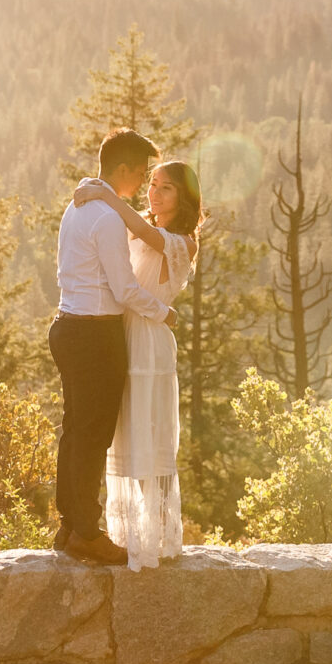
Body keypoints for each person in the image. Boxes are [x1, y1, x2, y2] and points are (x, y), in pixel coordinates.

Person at [49, 129, 168, 565]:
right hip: (95, 335)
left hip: (67, 327)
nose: (141, 181)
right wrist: (163, 312)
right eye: (139, 172)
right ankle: (86, 532)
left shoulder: (80, 205)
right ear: (121, 170)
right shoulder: (105, 217)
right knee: (93, 436)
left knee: (76, 431)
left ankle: (70, 525)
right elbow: (124, 289)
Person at [77, 158, 200, 569]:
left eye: (166, 188)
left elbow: (146, 233)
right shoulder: (135, 223)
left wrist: (104, 193)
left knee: (148, 436)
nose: (154, 192)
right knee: (124, 435)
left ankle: (158, 534)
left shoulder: (182, 240)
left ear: (184, 198)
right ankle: (129, 535)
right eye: (153, 184)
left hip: (148, 340)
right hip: (120, 334)